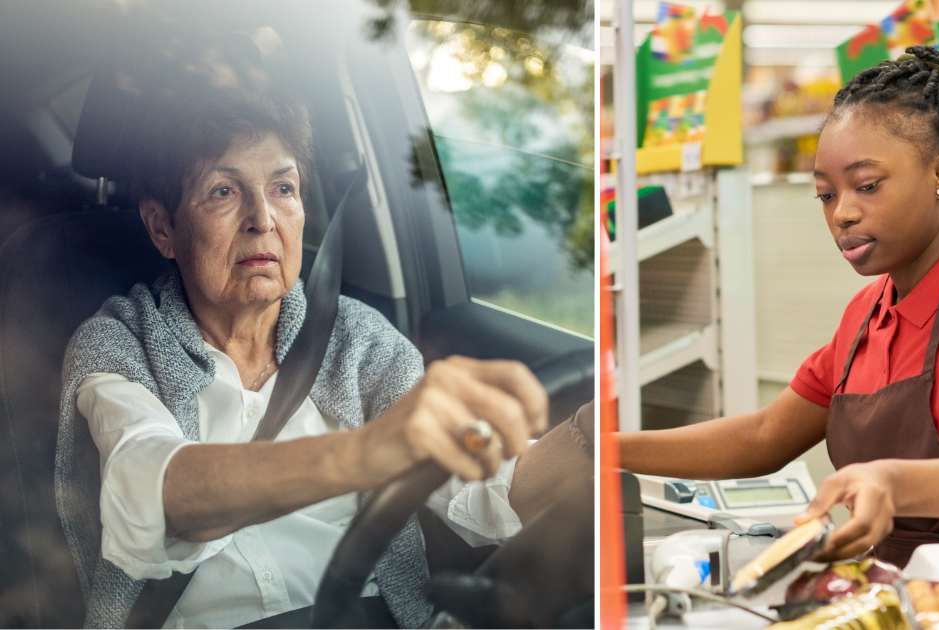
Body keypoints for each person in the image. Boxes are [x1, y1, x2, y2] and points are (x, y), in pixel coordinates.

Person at [54, 50, 576, 629]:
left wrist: (593, 437)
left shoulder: (359, 339)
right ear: (162, 227)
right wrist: (368, 451)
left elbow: (488, 489)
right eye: (223, 192)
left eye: (282, 188)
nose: (262, 219)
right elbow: (158, 492)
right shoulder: (117, 344)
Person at [619, 44, 939, 566]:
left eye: (867, 186)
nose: (842, 213)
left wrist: (890, 482)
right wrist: (610, 449)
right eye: (825, 194)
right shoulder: (868, 314)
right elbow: (763, 436)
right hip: (899, 582)